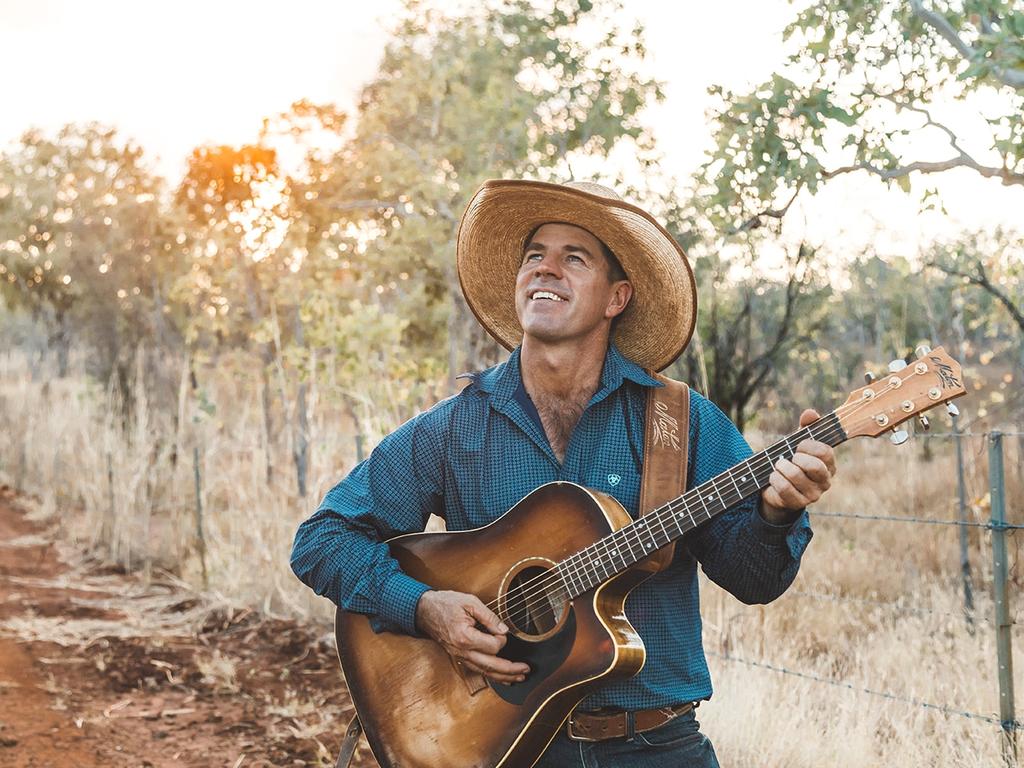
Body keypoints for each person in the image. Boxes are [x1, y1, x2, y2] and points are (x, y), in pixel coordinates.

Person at [290, 179, 837, 767]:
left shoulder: (677, 423)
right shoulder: (453, 428)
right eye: (534, 257)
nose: (545, 270)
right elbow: (320, 541)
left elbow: (756, 582)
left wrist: (777, 511)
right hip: (502, 744)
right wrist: (424, 607)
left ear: (616, 298)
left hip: (655, 745)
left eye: (573, 258)